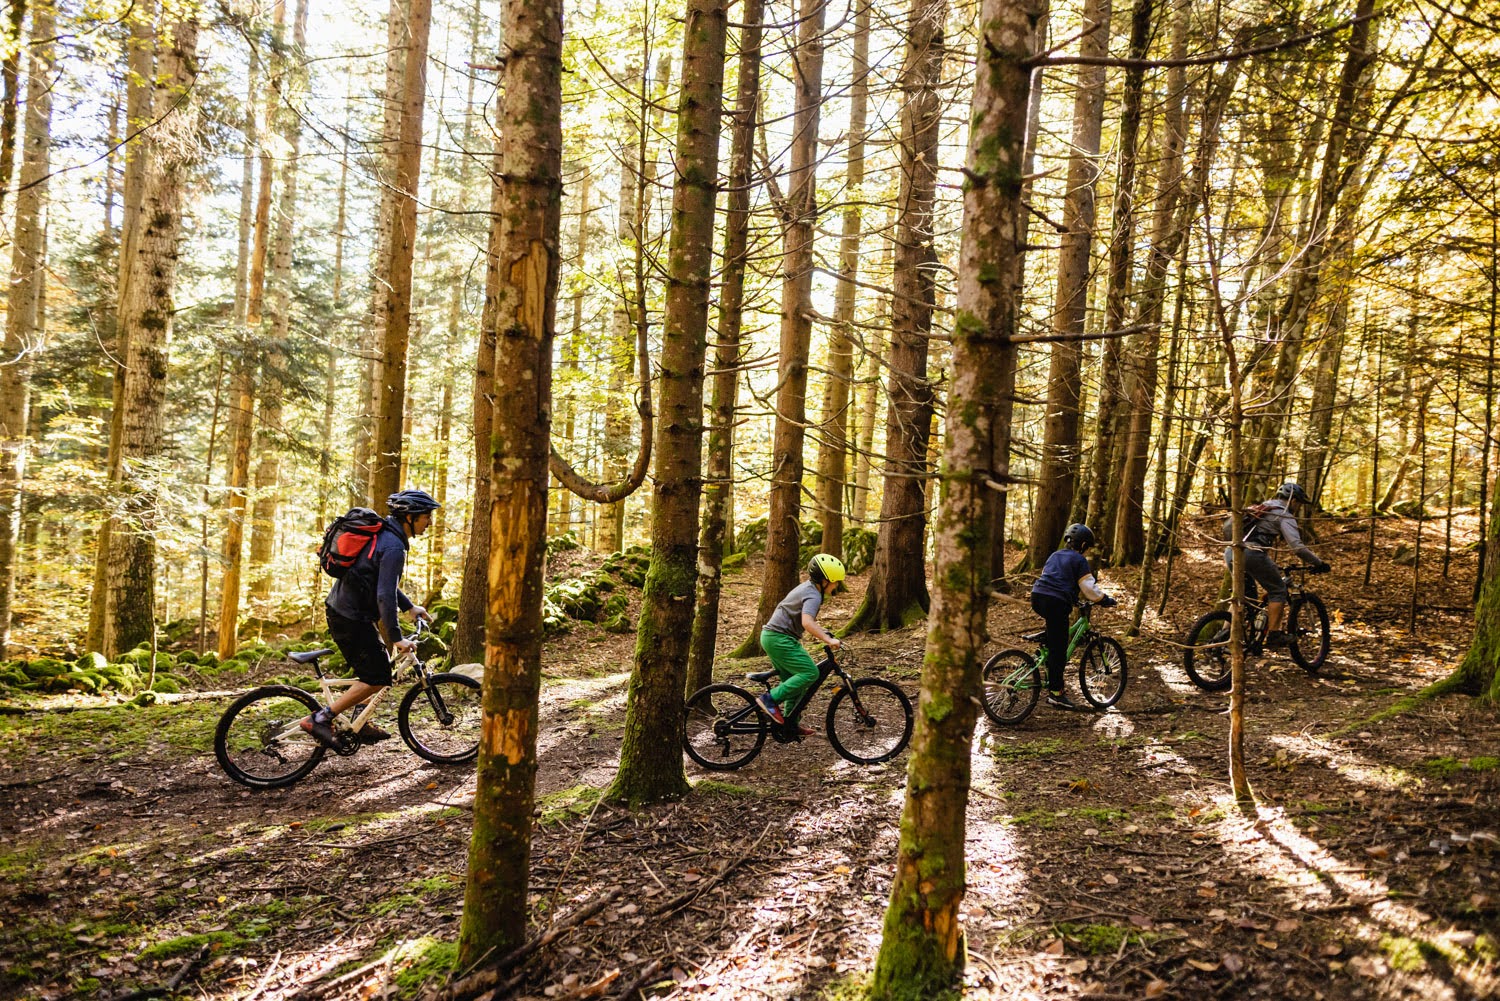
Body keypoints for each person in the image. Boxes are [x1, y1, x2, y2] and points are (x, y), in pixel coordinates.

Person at [301, 488, 441, 747]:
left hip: (349, 612)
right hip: (349, 617)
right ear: (409, 517)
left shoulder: (385, 536)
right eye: (426, 516)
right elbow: (384, 595)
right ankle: (320, 718)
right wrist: (397, 638)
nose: (429, 522)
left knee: (379, 668)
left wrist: (410, 607)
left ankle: (360, 722)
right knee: (376, 677)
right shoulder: (394, 547)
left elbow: (377, 580)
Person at [1224, 480, 1330, 647]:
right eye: (1299, 503)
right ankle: (1274, 635)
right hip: (1252, 554)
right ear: (1293, 500)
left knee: (1241, 596)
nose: (1298, 507)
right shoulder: (1284, 514)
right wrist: (1319, 563)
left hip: (1231, 552)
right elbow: (1297, 547)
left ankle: (1224, 634)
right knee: (1278, 590)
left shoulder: (1260, 508)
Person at [756, 553, 846, 733]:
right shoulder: (813, 595)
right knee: (810, 673)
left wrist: (824, 633)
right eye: (835, 581)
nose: (837, 585)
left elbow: (803, 619)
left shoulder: (808, 588)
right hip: (779, 639)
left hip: (774, 637)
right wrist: (827, 639)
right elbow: (807, 622)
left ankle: (790, 724)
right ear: (824, 580)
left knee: (795, 683)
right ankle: (769, 700)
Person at [1030, 523, 1116, 710]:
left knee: (1054, 631)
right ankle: (1056, 694)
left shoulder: (1055, 555)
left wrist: (1072, 599)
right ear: (1083, 545)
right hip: (1055, 601)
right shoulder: (1079, 560)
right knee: (1059, 650)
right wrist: (1104, 599)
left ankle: (1047, 645)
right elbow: (1088, 588)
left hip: (1037, 597)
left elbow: (1051, 577)